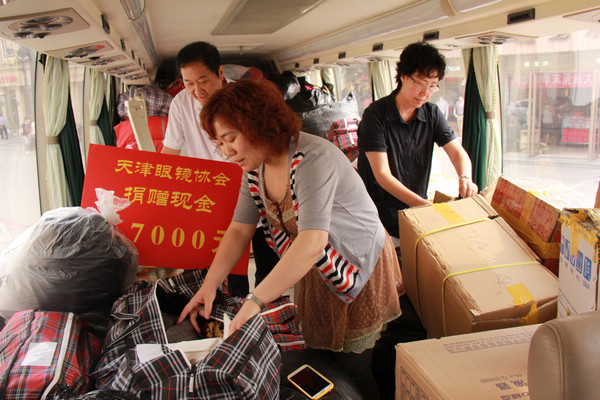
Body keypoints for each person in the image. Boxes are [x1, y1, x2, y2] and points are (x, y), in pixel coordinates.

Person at [178, 80, 404, 400]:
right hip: (318, 264)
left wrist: (255, 301)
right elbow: (240, 229)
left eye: (231, 139)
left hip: (356, 263)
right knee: (324, 356)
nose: (226, 151)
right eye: (219, 143)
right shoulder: (255, 167)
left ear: (259, 123)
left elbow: (311, 242)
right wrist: (209, 286)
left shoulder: (313, 159)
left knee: (355, 367)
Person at [162, 41, 278, 296]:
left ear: (220, 72)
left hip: (255, 186)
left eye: (203, 81)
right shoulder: (181, 104)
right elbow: (170, 154)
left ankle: (268, 310)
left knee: (268, 262)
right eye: (188, 83)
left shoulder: (245, 98)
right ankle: (234, 311)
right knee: (228, 269)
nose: (197, 90)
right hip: (213, 197)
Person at [357, 42, 478, 246]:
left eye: (433, 86)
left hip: (415, 206)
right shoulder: (375, 116)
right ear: (403, 76)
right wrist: (423, 205)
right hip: (378, 211)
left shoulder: (432, 114)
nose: (426, 93)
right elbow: (382, 175)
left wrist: (465, 177)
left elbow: (456, 152)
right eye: (421, 84)